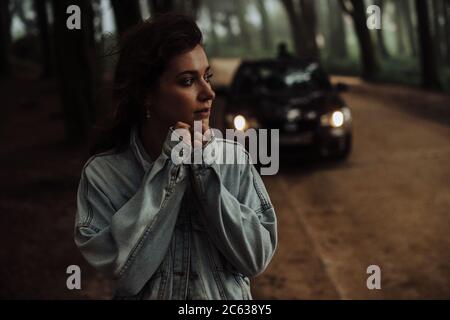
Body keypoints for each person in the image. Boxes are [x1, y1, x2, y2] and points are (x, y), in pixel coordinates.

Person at [74, 13, 277, 300]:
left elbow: (255, 259)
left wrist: (204, 172)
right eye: (187, 81)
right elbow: (128, 274)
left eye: (207, 77)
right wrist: (171, 167)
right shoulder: (104, 174)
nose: (208, 93)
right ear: (146, 94)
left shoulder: (233, 159)